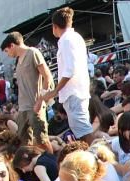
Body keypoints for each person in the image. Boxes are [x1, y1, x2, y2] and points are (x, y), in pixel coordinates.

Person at [39, 7, 93, 141]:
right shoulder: (75, 37)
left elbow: (70, 70)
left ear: (54, 26)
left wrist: (55, 91)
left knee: (83, 130)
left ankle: (97, 152)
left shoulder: (66, 40)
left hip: (73, 92)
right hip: (76, 90)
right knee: (81, 129)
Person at [1, 32, 54, 154]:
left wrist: (41, 100)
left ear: (12, 45)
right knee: (24, 142)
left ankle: (53, 162)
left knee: (42, 140)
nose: (8, 54)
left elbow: (47, 77)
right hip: (23, 108)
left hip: (35, 105)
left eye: (7, 51)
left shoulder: (33, 53)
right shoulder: (18, 61)